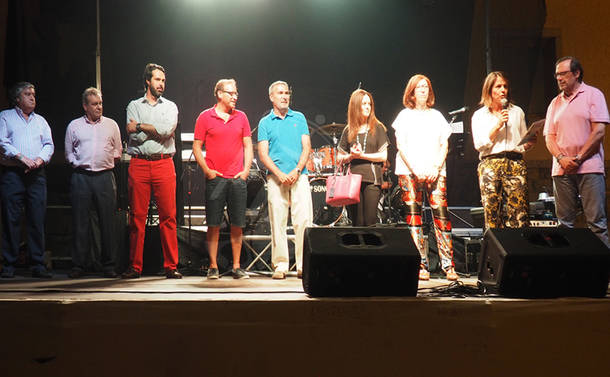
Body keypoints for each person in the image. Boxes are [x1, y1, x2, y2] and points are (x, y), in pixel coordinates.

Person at [392, 74, 458, 281]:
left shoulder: (437, 116)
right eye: (419, 87)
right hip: (410, 171)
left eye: (426, 87)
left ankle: (449, 265)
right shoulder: (403, 116)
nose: (423, 90)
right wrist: (416, 169)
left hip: (435, 171)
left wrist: (436, 167)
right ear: (411, 92)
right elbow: (400, 146)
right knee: (414, 217)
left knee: (442, 217)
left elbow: (444, 145)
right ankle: (421, 265)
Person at [122, 63, 182, 279]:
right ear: (148, 81)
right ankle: (135, 267)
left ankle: (171, 266)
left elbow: (166, 132)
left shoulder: (170, 107)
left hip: (163, 163)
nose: (161, 84)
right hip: (139, 163)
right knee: (137, 216)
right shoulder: (134, 105)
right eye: (157, 80)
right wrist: (151, 130)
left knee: (168, 216)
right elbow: (133, 135)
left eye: (163, 80)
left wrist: (142, 126)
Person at [544, 56, 609, 247]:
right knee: (564, 225)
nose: (559, 79)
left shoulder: (593, 95)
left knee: (596, 223)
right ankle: (567, 271)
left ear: (577, 73)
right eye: (557, 75)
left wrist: (579, 158)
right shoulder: (555, 103)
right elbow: (549, 137)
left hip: (589, 168)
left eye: (563, 74)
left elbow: (599, 131)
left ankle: (603, 272)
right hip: (562, 170)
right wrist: (562, 158)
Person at [192, 78, 253, 280]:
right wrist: (207, 170)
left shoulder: (241, 117)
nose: (235, 97)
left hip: (236, 178)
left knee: (237, 223)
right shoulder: (205, 117)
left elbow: (248, 146)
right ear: (219, 94)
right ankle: (213, 265)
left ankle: (236, 266)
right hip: (216, 178)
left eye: (236, 93)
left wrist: (245, 171)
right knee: (214, 223)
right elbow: (196, 148)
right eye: (231, 93)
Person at [257, 81, 313, 279]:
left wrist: (297, 170)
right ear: (271, 97)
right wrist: (279, 174)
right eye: (280, 93)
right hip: (276, 178)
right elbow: (263, 154)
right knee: (278, 221)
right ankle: (281, 265)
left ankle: (303, 265)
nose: (284, 96)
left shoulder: (299, 117)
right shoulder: (265, 123)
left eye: (287, 93)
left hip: (300, 176)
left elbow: (306, 146)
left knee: (304, 221)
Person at [65, 87, 122, 278]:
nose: (99, 107)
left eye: (101, 103)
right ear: (85, 106)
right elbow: (68, 152)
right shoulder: (74, 125)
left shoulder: (111, 125)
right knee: (80, 222)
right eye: (95, 104)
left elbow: (118, 151)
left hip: (105, 177)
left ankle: (109, 264)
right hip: (81, 177)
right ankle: (78, 265)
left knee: (108, 222)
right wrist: (78, 164)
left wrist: (104, 163)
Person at [0, 82, 54, 278]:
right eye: (27, 94)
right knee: (11, 219)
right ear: (17, 99)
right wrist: (22, 158)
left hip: (36, 175)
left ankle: (37, 263)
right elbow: (2, 141)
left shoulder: (40, 120)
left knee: (36, 219)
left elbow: (48, 144)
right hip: (13, 174)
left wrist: (39, 159)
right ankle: (9, 265)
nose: (32, 97)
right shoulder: (5, 117)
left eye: (34, 94)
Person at [471, 72, 535, 229]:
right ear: (489, 90)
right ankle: (495, 250)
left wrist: (529, 143)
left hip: (515, 162)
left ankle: (518, 248)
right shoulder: (479, 115)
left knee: (520, 212)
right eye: (498, 86)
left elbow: (522, 141)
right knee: (492, 211)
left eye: (505, 86)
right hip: (491, 163)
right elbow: (479, 144)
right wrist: (498, 125)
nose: (503, 90)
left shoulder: (517, 112)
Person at [336, 89, 389, 226]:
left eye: (369, 104)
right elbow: (339, 158)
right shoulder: (348, 130)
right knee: (357, 222)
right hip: (352, 180)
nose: (367, 107)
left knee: (370, 221)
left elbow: (383, 156)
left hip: (372, 180)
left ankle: (370, 247)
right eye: (364, 104)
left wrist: (361, 155)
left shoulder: (378, 128)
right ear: (355, 106)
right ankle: (358, 247)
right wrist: (351, 156)